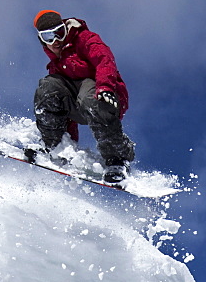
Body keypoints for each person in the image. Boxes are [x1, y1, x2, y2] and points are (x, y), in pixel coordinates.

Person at [32, 9, 135, 183]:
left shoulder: (85, 39)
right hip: (80, 104)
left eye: (59, 33)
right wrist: (68, 143)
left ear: (66, 28)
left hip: (104, 96)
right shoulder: (56, 68)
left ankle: (117, 158)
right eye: (48, 38)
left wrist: (105, 88)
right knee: (48, 87)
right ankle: (53, 145)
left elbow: (104, 59)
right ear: (42, 41)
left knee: (87, 95)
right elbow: (62, 111)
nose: (55, 41)